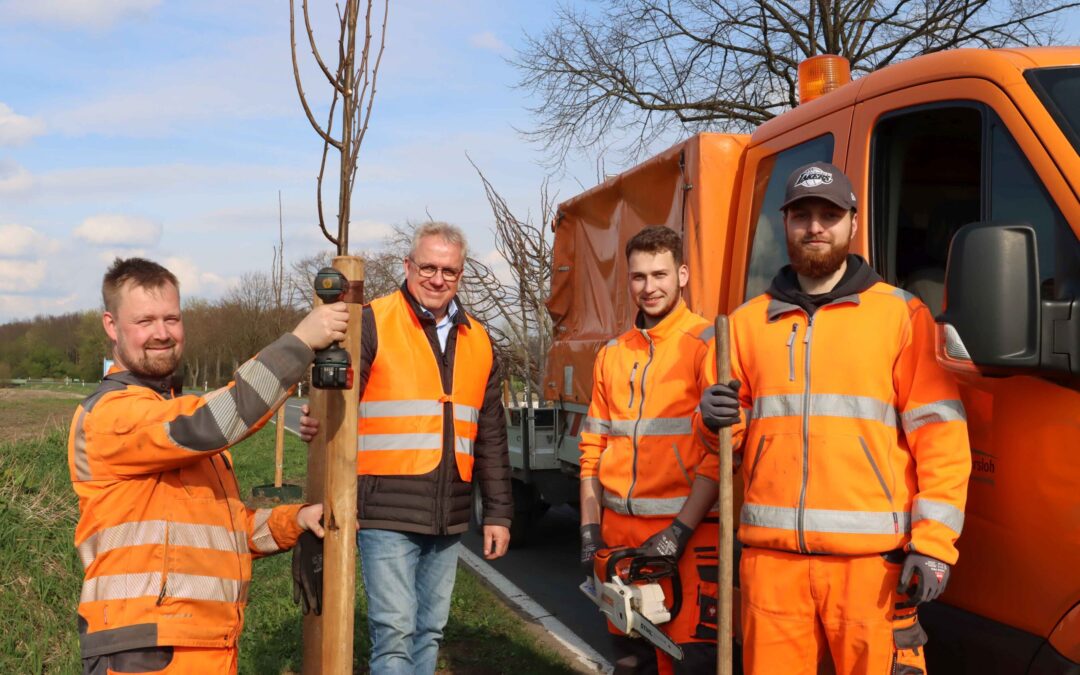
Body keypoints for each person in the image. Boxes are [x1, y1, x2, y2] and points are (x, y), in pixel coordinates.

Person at [699, 163, 971, 674]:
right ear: (785, 225)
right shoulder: (744, 325)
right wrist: (710, 421)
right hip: (771, 568)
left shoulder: (901, 316)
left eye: (828, 214)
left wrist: (933, 544)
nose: (815, 227)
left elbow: (942, 440)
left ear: (851, 222)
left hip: (872, 572)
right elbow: (724, 446)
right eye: (801, 215)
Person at [68, 257, 347, 675]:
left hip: (207, 644)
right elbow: (211, 422)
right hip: (147, 648)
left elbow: (219, 530)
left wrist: (296, 521)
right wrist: (300, 343)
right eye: (144, 320)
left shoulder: (172, 418)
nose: (161, 333)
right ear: (111, 325)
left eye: (171, 318)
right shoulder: (112, 414)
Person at [299, 221, 512, 674]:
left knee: (429, 632)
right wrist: (318, 430)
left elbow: (490, 434)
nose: (438, 279)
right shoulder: (373, 321)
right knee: (394, 634)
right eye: (428, 267)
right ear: (408, 265)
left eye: (449, 271)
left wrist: (497, 513)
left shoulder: (479, 339)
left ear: (461, 274)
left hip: (449, 513)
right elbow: (337, 406)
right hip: (384, 509)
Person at [578, 225, 720, 674]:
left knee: (690, 662)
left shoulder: (707, 344)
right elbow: (592, 450)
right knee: (632, 662)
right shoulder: (612, 354)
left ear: (681, 275)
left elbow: (720, 453)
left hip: (689, 539)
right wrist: (589, 529)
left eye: (659, 274)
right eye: (638, 277)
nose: (648, 287)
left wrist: (678, 531)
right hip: (620, 537)